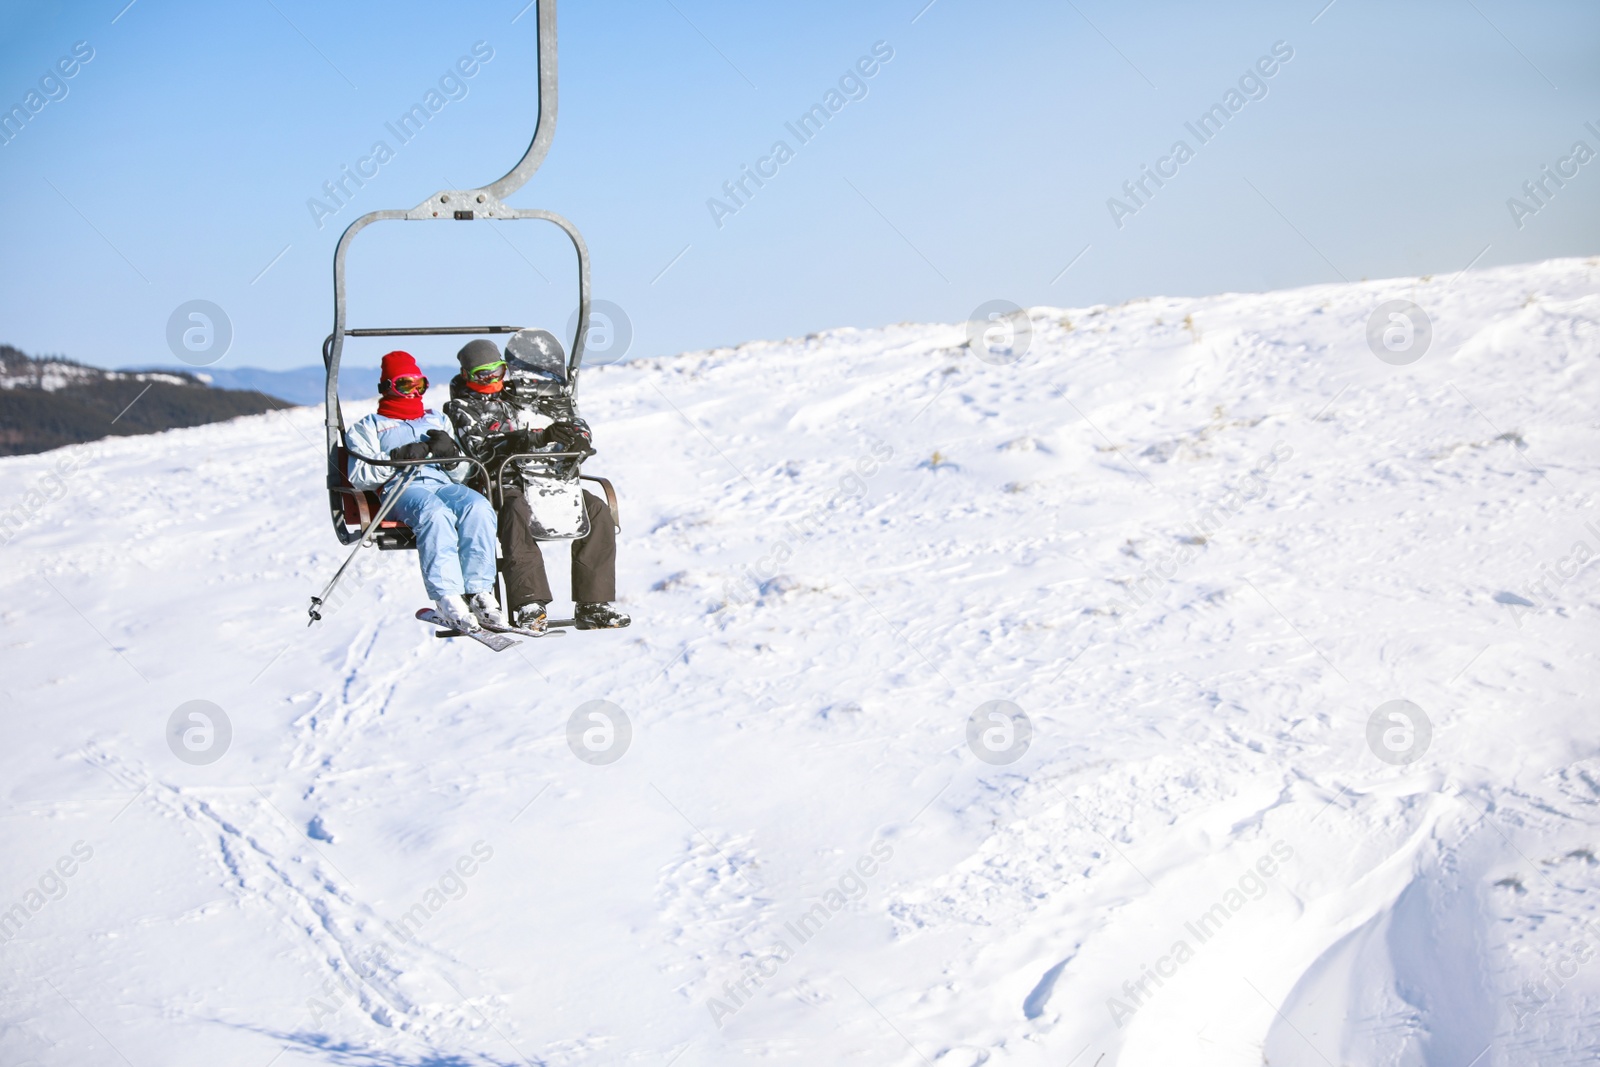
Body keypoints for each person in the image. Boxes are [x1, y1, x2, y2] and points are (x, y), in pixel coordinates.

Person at [444, 338, 630, 633]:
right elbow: (481, 450)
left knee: (596, 509)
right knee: (514, 511)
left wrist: (578, 436)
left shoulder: (522, 394)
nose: (493, 379)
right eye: (483, 374)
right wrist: (535, 439)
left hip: (547, 478)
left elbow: (565, 412)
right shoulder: (463, 407)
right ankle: (529, 603)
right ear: (467, 375)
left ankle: (593, 604)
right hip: (501, 481)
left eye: (498, 371)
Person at [346, 350, 506, 633]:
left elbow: (460, 474)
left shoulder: (437, 420)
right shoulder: (368, 427)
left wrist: (451, 456)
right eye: (404, 385)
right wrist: (397, 458)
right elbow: (360, 476)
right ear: (387, 387)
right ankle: (448, 598)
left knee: (478, 507)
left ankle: (481, 592)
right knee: (433, 512)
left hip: (442, 484)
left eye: (419, 385)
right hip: (401, 488)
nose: (413, 392)